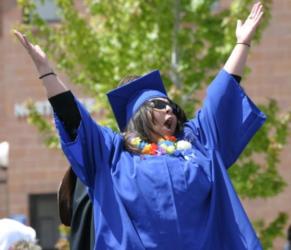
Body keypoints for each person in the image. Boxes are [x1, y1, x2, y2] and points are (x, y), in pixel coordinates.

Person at [14, 2, 265, 249]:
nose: (169, 109)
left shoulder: (196, 142)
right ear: (140, 116)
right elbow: (75, 120)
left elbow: (221, 98)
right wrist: (47, 72)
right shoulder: (113, 154)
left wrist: (242, 44)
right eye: (158, 105)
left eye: (171, 107)